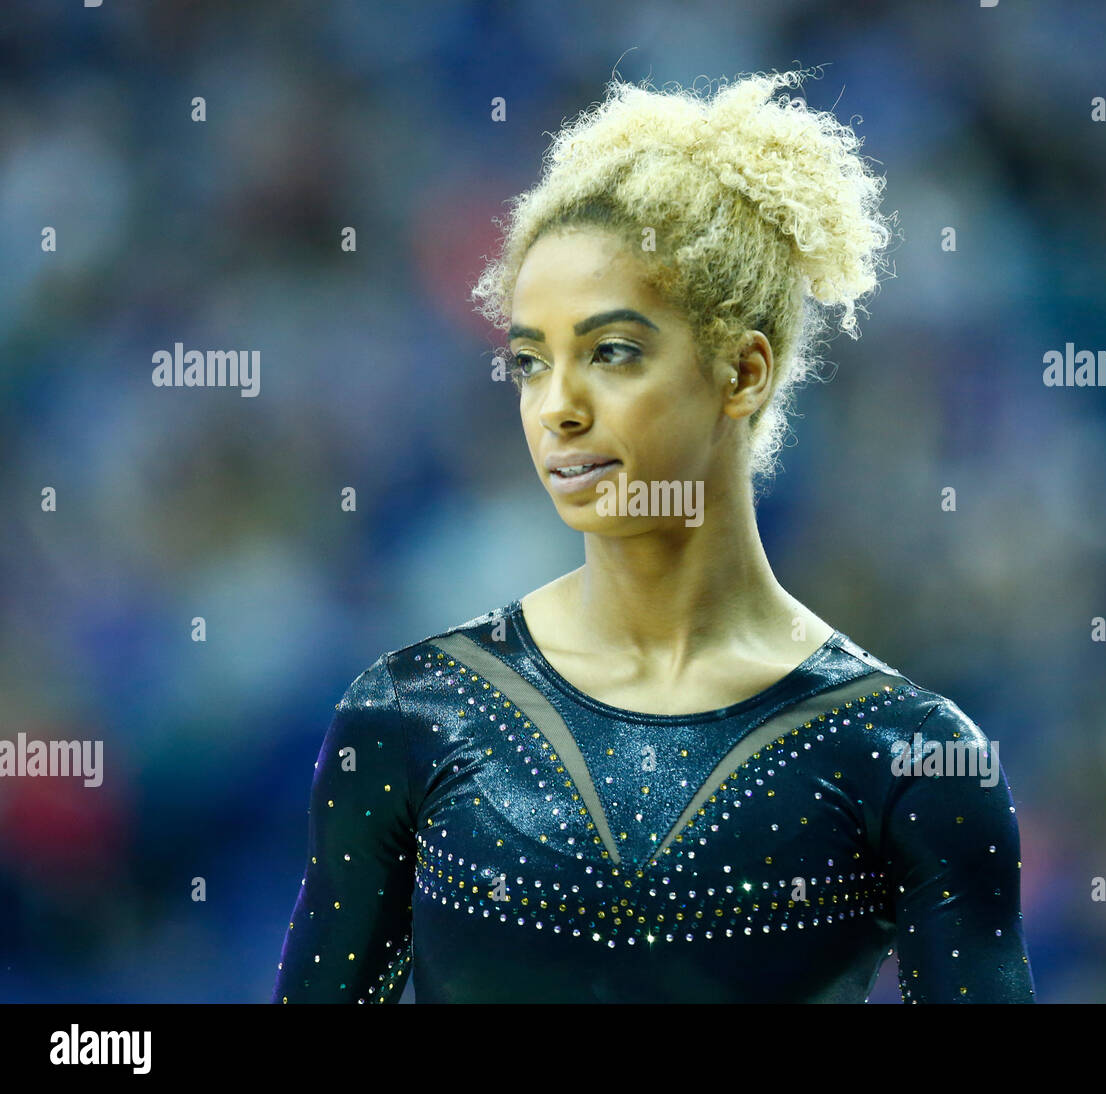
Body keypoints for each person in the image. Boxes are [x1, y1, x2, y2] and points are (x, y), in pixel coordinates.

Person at [272, 66, 1034, 1003]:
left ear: (742, 372)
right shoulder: (411, 718)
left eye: (612, 353)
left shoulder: (906, 754)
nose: (558, 409)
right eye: (529, 362)